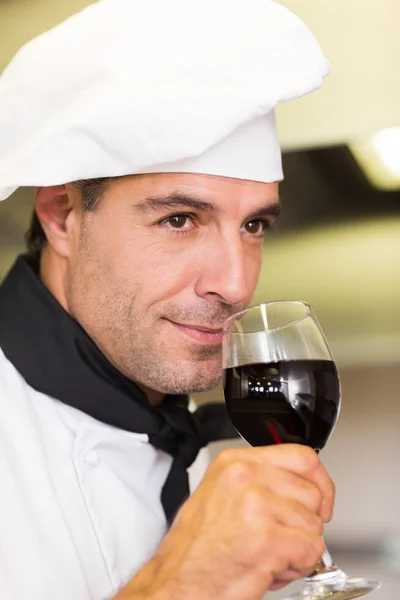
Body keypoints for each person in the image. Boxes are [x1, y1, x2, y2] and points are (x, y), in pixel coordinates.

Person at [0, 1, 334, 599]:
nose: (234, 283)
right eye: (180, 218)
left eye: (254, 226)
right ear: (62, 216)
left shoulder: (222, 466)